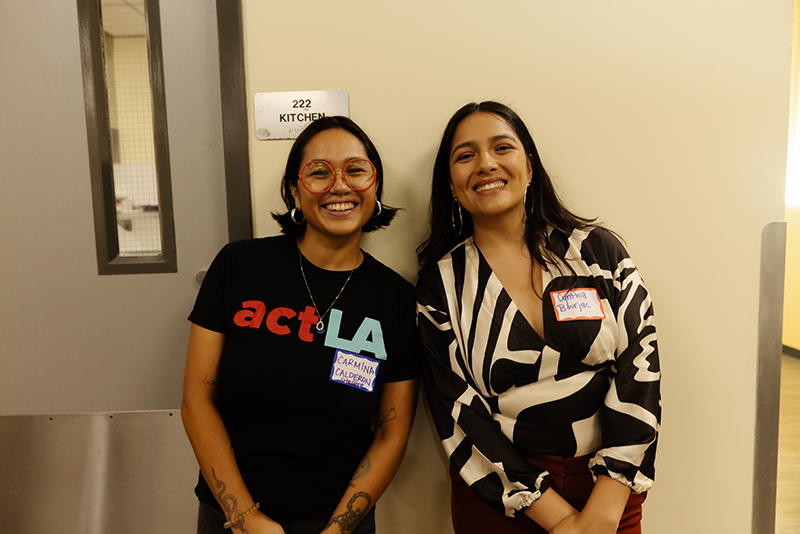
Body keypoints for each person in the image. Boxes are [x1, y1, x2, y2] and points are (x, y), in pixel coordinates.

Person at [416, 102, 660, 534]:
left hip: (610, 488)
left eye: (501, 147)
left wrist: (602, 511)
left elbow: (640, 371)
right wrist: (561, 519)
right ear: (451, 185)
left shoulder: (597, 253)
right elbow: (456, 409)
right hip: (498, 498)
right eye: (465, 155)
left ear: (528, 167)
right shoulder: (441, 284)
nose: (485, 163)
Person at [182, 116, 420, 534]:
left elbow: (391, 434)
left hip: (339, 523)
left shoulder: (395, 299)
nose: (339, 185)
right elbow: (197, 400)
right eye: (318, 172)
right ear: (295, 190)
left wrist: (338, 529)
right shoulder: (238, 267)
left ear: (375, 186)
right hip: (232, 518)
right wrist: (244, 516)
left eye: (356, 170)